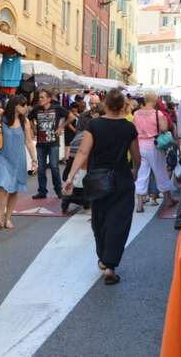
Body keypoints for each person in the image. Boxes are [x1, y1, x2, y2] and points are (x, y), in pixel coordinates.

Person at [63, 89, 140, 285]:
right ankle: (110, 264)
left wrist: (71, 177)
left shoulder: (94, 125)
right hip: (122, 178)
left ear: (105, 104)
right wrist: (136, 172)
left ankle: (103, 256)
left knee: (100, 219)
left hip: (97, 179)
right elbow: (136, 156)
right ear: (123, 106)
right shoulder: (129, 127)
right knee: (119, 221)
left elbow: (82, 151)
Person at [0, 95, 36, 230]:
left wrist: (34, 160)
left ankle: (8, 219)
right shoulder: (1, 119)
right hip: (3, 157)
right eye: (23, 105)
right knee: (3, 187)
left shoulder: (25, 121)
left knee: (14, 189)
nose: (26, 108)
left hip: (18, 158)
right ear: (15, 106)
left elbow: (29, 142)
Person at [133, 92, 177, 212]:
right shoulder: (158, 114)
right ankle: (168, 200)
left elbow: (133, 128)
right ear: (155, 100)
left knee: (142, 174)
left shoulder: (136, 114)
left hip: (140, 145)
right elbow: (164, 129)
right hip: (154, 146)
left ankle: (139, 205)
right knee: (160, 172)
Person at [61, 103, 104, 215]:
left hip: (78, 147)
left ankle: (75, 200)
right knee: (83, 182)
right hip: (81, 149)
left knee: (81, 182)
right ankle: (71, 199)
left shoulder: (86, 118)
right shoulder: (94, 124)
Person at [29, 90, 69, 200]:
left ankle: (59, 190)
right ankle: (42, 191)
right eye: (39, 97)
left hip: (53, 143)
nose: (40, 99)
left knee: (54, 167)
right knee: (41, 168)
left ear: (49, 99)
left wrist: (61, 127)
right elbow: (29, 118)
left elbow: (71, 117)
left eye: (42, 97)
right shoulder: (36, 109)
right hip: (41, 143)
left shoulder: (57, 108)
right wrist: (33, 128)